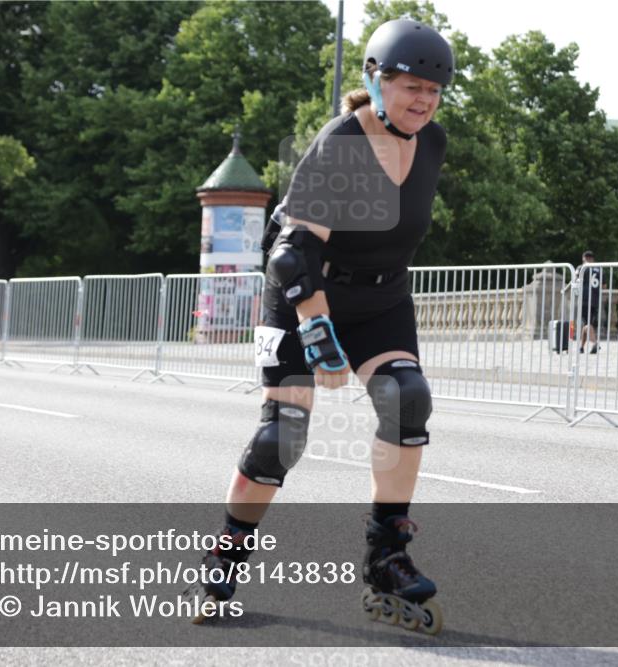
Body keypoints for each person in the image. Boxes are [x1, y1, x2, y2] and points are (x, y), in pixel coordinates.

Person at [188, 18, 453, 635]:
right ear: (374, 79)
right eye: (409, 85)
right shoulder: (341, 144)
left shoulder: (433, 143)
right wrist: (319, 335)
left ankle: (386, 554)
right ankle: (224, 560)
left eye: (432, 91)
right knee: (283, 435)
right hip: (306, 294)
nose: (421, 100)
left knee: (406, 399)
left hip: (384, 300)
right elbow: (290, 254)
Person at [576, 251, 602, 354]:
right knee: (587, 324)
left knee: (587, 323)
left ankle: (595, 343)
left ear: (583, 258)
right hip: (595, 299)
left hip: (584, 299)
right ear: (593, 258)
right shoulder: (599, 268)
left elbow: (576, 280)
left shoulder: (581, 268)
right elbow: (604, 285)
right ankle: (581, 347)